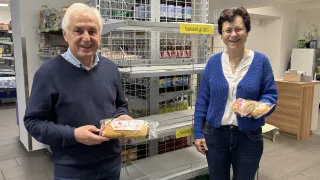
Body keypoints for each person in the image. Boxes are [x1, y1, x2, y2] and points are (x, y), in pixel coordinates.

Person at [24, 3, 132, 180]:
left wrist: (122, 117)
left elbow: (120, 104)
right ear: (65, 34)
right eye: (78, 31)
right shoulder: (48, 73)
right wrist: (73, 135)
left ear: (100, 34)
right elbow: (34, 122)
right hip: (72, 172)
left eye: (92, 31)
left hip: (111, 165)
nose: (86, 38)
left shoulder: (110, 68)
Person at [194, 7, 278, 180]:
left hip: (248, 137)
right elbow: (202, 99)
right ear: (221, 34)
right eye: (228, 30)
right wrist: (198, 133)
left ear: (247, 31)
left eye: (239, 29)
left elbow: (271, 96)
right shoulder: (213, 62)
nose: (233, 34)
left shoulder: (261, 61)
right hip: (215, 136)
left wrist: (257, 107)